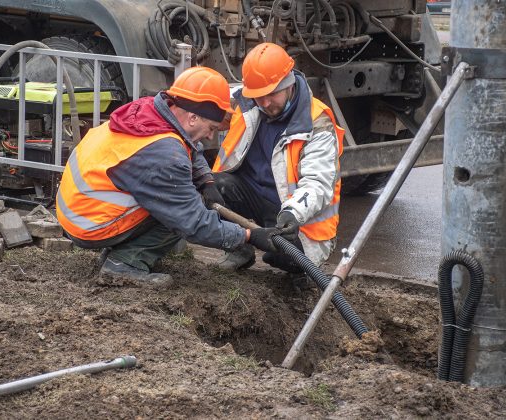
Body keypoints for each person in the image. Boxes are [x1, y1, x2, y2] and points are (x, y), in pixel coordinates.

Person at [56, 66, 280, 286]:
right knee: (181, 213)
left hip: (79, 209)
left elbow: (188, 146)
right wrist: (248, 236)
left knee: (182, 198)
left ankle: (122, 248)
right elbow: (193, 223)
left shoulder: (153, 110)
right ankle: (125, 264)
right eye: (211, 127)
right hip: (89, 224)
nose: (210, 135)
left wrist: (206, 180)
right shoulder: (163, 155)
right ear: (192, 118)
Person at [211, 43, 345, 273]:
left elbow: (317, 183)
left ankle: (297, 272)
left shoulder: (317, 123)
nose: (264, 103)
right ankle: (239, 250)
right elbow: (200, 107)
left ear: (288, 83)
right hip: (253, 198)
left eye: (271, 94)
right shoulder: (247, 102)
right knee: (214, 185)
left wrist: (292, 213)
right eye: (258, 96)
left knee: (285, 258)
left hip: (295, 219)